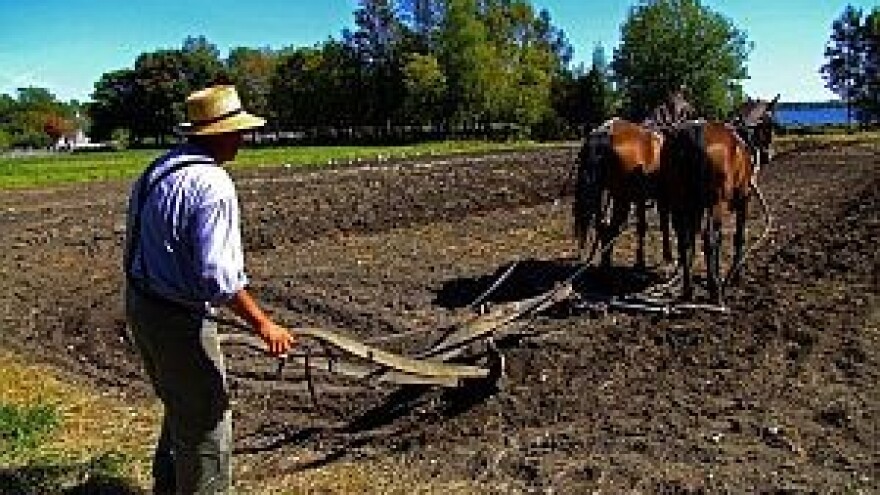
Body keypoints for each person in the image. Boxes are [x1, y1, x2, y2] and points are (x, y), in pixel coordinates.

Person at [124, 84, 295, 494]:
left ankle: (167, 487)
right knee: (208, 422)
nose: (243, 138)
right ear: (217, 134)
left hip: (142, 305)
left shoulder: (158, 169)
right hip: (179, 319)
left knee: (180, 407)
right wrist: (264, 324)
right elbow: (219, 277)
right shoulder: (212, 184)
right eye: (237, 130)